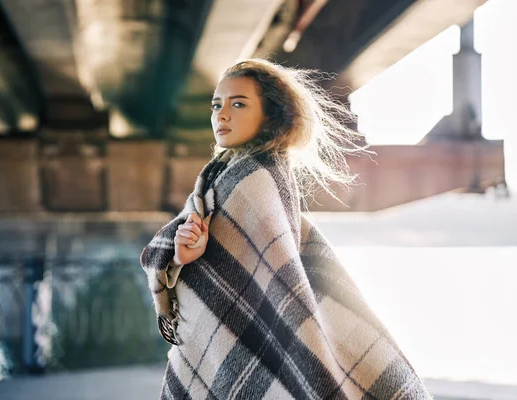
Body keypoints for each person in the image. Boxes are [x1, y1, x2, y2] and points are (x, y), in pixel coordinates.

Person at [141, 58, 431, 399]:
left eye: (238, 104)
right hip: (211, 340)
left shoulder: (257, 180)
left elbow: (277, 285)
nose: (221, 115)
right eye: (216, 105)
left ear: (271, 114)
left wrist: (186, 257)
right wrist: (182, 253)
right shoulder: (219, 175)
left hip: (231, 340)